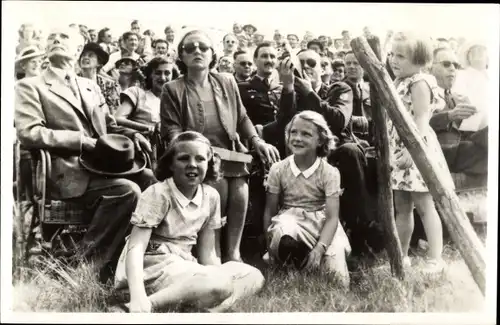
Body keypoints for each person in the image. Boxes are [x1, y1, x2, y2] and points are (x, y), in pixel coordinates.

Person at [14, 26, 157, 280]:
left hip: (101, 166)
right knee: (126, 191)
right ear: (46, 49)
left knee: (149, 181)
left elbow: (109, 125)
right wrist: (81, 141)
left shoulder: (89, 86)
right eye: (52, 37)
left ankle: (130, 261)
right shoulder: (31, 86)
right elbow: (29, 132)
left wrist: (133, 135)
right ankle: (84, 267)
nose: (56, 38)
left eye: (64, 37)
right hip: (65, 172)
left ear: (78, 49)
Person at [160, 30, 280, 262]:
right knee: (219, 186)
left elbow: (242, 117)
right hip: (194, 157)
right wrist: (198, 151)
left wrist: (257, 141)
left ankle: (233, 252)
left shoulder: (226, 81)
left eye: (203, 48)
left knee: (240, 190)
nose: (197, 51)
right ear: (181, 56)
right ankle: (211, 251)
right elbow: (172, 132)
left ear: (212, 54)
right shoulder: (172, 89)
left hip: (230, 155)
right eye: (190, 48)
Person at [113, 131, 265, 313]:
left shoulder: (211, 196)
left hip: (184, 264)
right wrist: (137, 295)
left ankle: (210, 310)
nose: (192, 165)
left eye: (200, 159)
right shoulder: (159, 193)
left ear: (209, 164)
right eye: (184, 159)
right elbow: (136, 247)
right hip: (152, 266)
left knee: (254, 276)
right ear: (170, 164)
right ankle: (141, 305)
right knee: (220, 283)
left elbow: (208, 254)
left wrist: (214, 278)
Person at [388, 32, 454, 273]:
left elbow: (422, 119)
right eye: (392, 54)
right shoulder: (398, 81)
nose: (394, 60)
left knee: (425, 206)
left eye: (401, 56)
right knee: (402, 207)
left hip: (417, 148)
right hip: (399, 150)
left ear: (419, 61)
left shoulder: (419, 82)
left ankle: (436, 259)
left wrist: (411, 151)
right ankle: (402, 255)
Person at [263, 111, 351, 288]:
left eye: (306, 134)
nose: (297, 138)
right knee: (283, 230)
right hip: (291, 220)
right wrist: (269, 245)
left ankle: (314, 257)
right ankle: (287, 259)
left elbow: (333, 217)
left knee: (339, 283)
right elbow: (270, 211)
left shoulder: (329, 173)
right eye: (293, 132)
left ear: (320, 140)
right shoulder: (278, 169)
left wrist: (320, 248)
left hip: (321, 223)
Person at [429, 47, 488, 183]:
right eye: (446, 64)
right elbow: (420, 124)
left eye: (455, 65)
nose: (452, 69)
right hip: (442, 151)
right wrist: (450, 116)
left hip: (461, 146)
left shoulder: (456, 97)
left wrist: (476, 120)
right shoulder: (425, 91)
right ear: (430, 68)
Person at [115, 57, 177, 167]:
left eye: (167, 73)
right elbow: (118, 118)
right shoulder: (138, 93)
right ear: (150, 75)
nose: (162, 78)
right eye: (158, 73)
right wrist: (147, 128)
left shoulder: (176, 102)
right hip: (141, 151)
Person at [78, 42, 121, 114]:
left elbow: (114, 112)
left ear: (99, 63)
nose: (85, 57)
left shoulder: (109, 85)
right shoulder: (71, 81)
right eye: (83, 55)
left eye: (90, 55)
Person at [343, 52, 372, 144]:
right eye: (348, 63)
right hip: (348, 141)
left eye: (356, 63)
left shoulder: (372, 89)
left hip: (372, 139)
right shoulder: (338, 88)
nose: (351, 66)